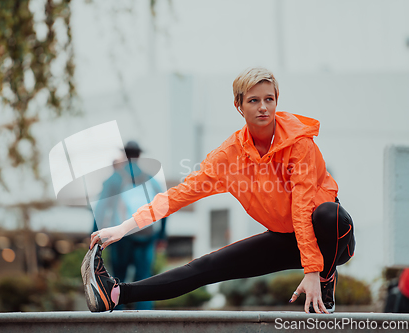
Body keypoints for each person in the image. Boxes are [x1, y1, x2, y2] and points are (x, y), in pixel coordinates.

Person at [81, 67, 355, 314]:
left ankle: (326, 281)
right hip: (285, 238)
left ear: (276, 100)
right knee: (205, 267)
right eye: (254, 100)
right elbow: (178, 195)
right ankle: (117, 294)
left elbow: (302, 206)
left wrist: (313, 270)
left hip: (331, 239)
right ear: (239, 105)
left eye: (269, 99)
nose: (263, 108)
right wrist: (123, 228)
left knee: (327, 213)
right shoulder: (229, 157)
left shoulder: (299, 144)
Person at [92, 141, 167, 310]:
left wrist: (94, 234)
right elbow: (165, 205)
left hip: (121, 236)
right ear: (139, 155)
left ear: (124, 154)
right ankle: (146, 320)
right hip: (147, 234)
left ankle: (117, 319)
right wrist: (162, 234)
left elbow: (101, 209)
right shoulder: (150, 179)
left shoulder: (115, 178)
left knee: (118, 278)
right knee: (145, 278)